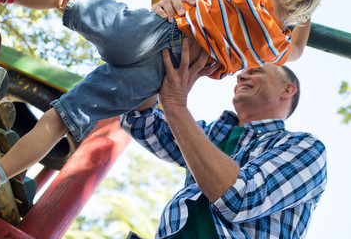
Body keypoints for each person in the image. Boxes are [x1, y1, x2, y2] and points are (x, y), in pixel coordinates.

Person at [0, 0, 324, 221]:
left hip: (153, 32)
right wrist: (302, 11)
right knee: (58, 121)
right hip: (162, 78)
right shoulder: (274, 47)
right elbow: (300, 46)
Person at [122, 31, 327, 238]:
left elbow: (242, 198)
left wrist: (175, 104)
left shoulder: (305, 147)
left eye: (257, 71)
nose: (240, 75)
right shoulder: (212, 135)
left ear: (287, 90)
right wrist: (164, 60)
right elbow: (141, 122)